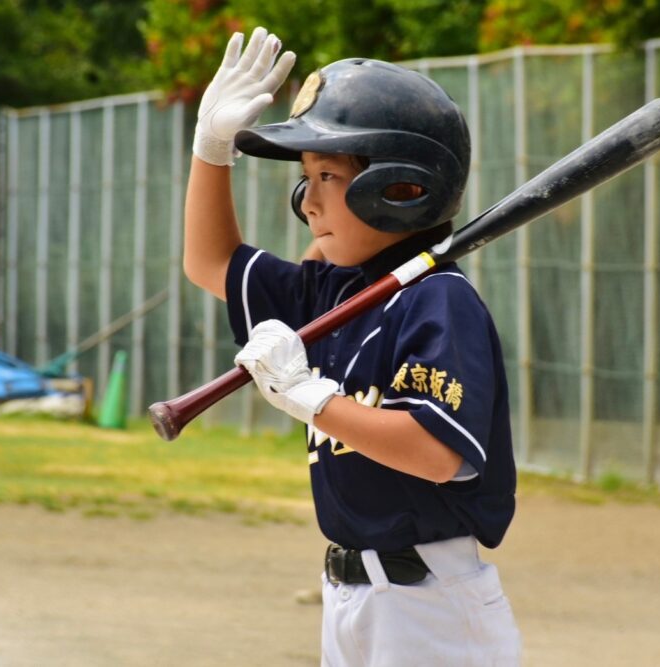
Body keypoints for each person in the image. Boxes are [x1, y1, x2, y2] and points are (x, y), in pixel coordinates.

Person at [184, 26, 521, 666]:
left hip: (429, 607)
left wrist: (310, 397)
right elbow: (210, 261)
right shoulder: (335, 296)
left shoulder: (438, 300)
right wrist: (211, 147)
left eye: (328, 174)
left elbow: (437, 454)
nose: (308, 202)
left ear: (399, 187)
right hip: (353, 597)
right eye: (306, 178)